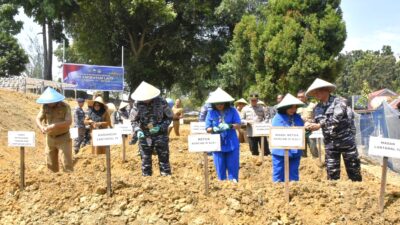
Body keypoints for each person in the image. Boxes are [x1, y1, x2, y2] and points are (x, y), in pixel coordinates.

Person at [305, 78, 362, 181]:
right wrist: (309, 124)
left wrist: (318, 125)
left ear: (326, 90)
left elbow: (336, 119)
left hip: (346, 143)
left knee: (354, 173)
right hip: (330, 145)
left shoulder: (340, 102)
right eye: (315, 92)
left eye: (319, 91)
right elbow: (316, 121)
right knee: (332, 175)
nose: (316, 94)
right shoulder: (317, 107)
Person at [130, 81, 173, 176]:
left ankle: (166, 179)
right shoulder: (137, 104)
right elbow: (133, 121)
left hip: (160, 135)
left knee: (164, 159)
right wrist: (137, 130)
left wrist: (160, 127)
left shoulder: (161, 102)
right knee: (145, 159)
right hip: (145, 135)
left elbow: (169, 117)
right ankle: (147, 179)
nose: (146, 100)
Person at [205, 88, 241, 182]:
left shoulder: (232, 111)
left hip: (232, 143)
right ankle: (222, 184)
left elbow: (238, 125)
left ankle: (234, 184)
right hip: (217, 143)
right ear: (213, 104)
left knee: (233, 167)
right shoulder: (210, 113)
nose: (219, 105)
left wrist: (229, 126)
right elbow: (207, 128)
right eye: (217, 104)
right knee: (219, 166)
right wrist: (213, 129)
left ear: (225, 102)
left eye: (221, 103)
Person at [35, 87, 73, 172]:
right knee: (50, 164)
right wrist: (41, 127)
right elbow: (38, 118)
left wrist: (53, 126)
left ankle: (69, 182)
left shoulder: (65, 106)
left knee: (66, 164)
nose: (49, 103)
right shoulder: (45, 106)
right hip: (50, 138)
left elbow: (68, 122)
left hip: (64, 137)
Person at [271, 94, 304, 182]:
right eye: (291, 108)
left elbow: (301, 128)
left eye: (295, 107)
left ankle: (294, 189)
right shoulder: (277, 118)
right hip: (280, 151)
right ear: (285, 107)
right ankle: (277, 190)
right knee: (279, 172)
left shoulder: (297, 117)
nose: (293, 110)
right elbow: (277, 132)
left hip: (295, 150)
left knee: (294, 174)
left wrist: (307, 128)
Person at [296, 89, 318, 158]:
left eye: (301, 96)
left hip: (311, 130)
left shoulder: (312, 105)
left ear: (306, 97)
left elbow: (317, 118)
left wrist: (310, 121)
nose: (300, 98)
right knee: (301, 152)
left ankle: (317, 165)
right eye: (298, 97)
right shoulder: (295, 107)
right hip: (300, 131)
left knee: (313, 149)